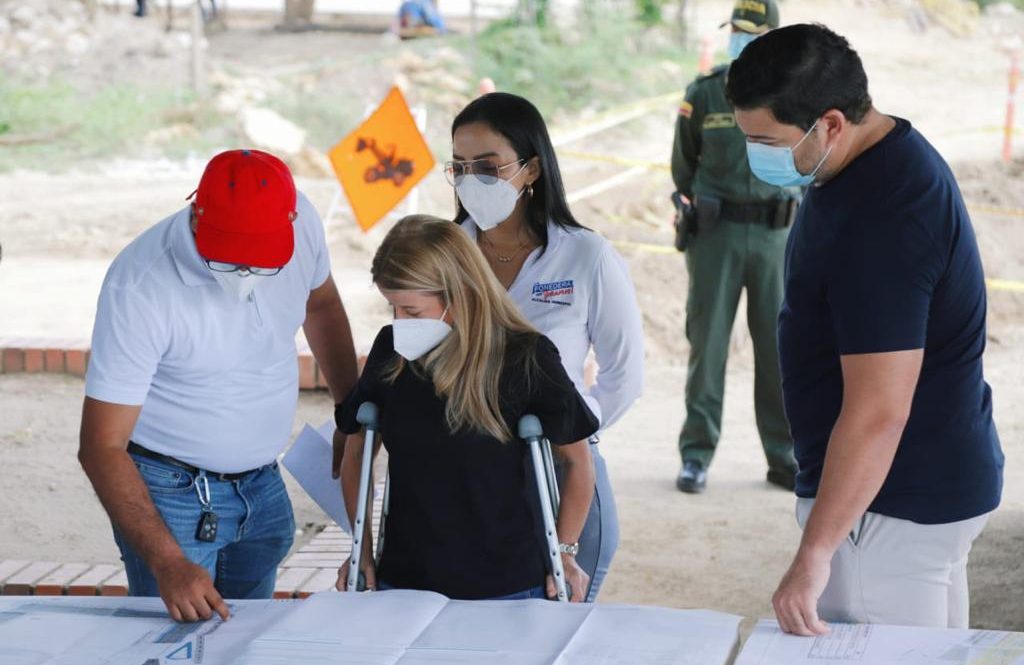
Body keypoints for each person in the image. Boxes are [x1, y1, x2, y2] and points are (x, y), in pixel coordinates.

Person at [726, 24, 1004, 633]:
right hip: (909, 494)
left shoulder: (886, 214)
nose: (755, 156)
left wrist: (816, 552)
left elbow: (879, 409)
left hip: (889, 508)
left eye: (766, 141)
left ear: (829, 123)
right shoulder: (861, 160)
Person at [79, 149, 359, 622]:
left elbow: (322, 306)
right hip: (171, 494)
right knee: (175, 645)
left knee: (246, 637)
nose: (246, 276)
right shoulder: (141, 284)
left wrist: (350, 411)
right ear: (196, 218)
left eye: (263, 264)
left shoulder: (302, 221)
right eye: (227, 262)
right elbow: (101, 445)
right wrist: (168, 561)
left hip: (262, 482)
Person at [335, 215, 598, 602]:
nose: (398, 322)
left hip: (509, 585)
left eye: (412, 311)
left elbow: (578, 462)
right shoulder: (393, 351)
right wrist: (362, 549)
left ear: (460, 294)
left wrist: (566, 551)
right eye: (391, 308)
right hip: (406, 581)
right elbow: (356, 450)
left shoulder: (525, 357)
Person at [446, 92, 645, 601]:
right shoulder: (443, 256)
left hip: (561, 472)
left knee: (559, 619)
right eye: (460, 167)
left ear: (531, 168)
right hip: (465, 473)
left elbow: (625, 374)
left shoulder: (586, 256)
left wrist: (573, 430)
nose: (473, 181)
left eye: (488, 167)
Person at [670, 0, 799, 495]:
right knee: (708, 347)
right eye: (735, 31)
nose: (740, 40)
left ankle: (784, 457)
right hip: (716, 236)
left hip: (776, 236)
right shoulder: (706, 93)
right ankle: (696, 455)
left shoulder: (797, 96)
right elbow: (683, 164)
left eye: (751, 32)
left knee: (779, 350)